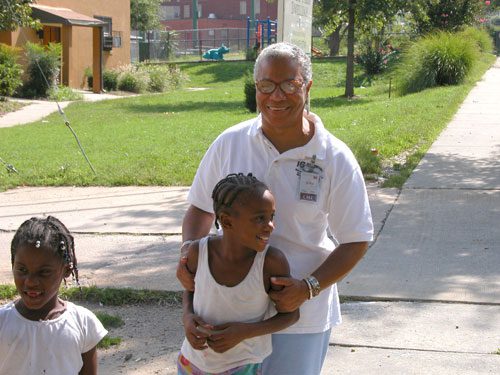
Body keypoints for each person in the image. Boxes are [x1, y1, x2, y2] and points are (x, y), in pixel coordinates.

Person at [177, 42, 374, 374]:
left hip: (300, 317)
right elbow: (199, 210)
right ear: (256, 88)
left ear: (307, 86)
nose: (277, 96)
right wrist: (186, 256)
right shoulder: (230, 143)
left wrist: (307, 287)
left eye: (289, 84)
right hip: (227, 314)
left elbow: (356, 239)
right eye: (266, 85)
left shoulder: (334, 158)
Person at [178, 173, 299, 375]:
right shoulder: (198, 252)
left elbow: (291, 315)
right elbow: (190, 290)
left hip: (243, 366)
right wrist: (187, 316)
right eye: (260, 218)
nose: (270, 226)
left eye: (271, 217)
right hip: (191, 363)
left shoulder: (271, 263)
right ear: (226, 221)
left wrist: (245, 332)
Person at [0, 216, 108, 375]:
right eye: (22, 270)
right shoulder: (3, 323)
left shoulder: (83, 323)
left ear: (66, 270)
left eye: (44, 272)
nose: (30, 282)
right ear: (12, 264)